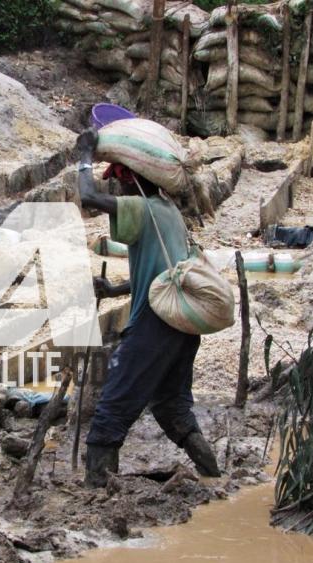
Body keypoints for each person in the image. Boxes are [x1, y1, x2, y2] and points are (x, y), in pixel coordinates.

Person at [76, 127, 221, 487]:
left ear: (133, 182)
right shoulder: (168, 212)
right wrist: (115, 289)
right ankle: (214, 478)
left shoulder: (140, 207)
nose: (118, 191)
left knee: (112, 407)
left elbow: (87, 195)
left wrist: (83, 155)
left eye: (120, 184)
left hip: (154, 326)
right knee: (172, 406)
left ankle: (99, 490)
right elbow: (163, 274)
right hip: (182, 327)